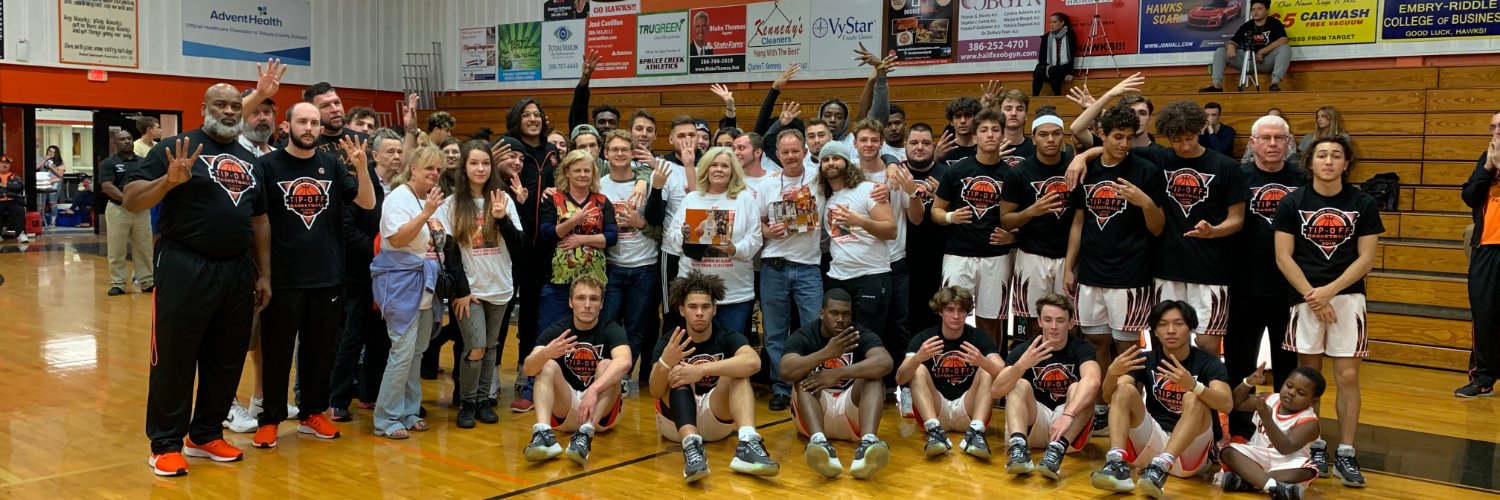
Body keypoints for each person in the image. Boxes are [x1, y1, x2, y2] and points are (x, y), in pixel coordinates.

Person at [124, 83, 270, 476]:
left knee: (226, 358)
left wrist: (265, 274)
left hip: (237, 270)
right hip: (184, 266)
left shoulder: (250, 160)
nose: (229, 111)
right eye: (220, 104)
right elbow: (132, 199)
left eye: (235, 105)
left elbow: (260, 220)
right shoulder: (175, 148)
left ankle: (204, 435)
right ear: (203, 108)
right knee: (174, 358)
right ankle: (165, 445)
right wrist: (168, 182)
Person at [250, 102, 376, 449]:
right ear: (287, 125)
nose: (309, 127)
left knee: (320, 353)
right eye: (302, 121)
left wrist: (362, 168)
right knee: (276, 353)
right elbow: (257, 221)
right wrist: (262, 274)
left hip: (327, 276)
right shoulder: (267, 166)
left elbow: (366, 203)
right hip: (283, 277)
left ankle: (312, 413)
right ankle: (270, 419)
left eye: (314, 122)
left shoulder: (331, 164)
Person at [1274, 135, 1383, 487]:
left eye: (1336, 155)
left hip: (1347, 298)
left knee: (1348, 377)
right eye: (1322, 155)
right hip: (1305, 297)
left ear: (1346, 163)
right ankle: (1314, 445)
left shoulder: (1363, 202)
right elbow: (1283, 256)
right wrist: (1313, 296)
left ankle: (1347, 452)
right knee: (1308, 375)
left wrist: (1329, 292)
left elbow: (1367, 258)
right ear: (1311, 162)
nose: (1329, 161)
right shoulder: (1292, 202)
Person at [1063, 102, 1167, 430]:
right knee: (1096, 343)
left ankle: (1130, 407)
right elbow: (1078, 221)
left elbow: (1158, 228)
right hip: (1091, 273)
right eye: (1118, 137)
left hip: (1130, 275)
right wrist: (1069, 267)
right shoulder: (1087, 170)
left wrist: (1145, 202)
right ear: (1102, 134)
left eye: (1130, 137)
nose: (1124, 144)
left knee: (1127, 348)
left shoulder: (1146, 171)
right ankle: (1101, 407)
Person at [1129, 100, 1246, 356]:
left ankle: (1205, 384)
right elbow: (1114, 149)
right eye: (1177, 140)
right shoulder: (1158, 157)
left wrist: (1213, 231)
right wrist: (1082, 157)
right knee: (1168, 343)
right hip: (1167, 266)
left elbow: (1237, 219)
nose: (1184, 146)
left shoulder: (1226, 166)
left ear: (1199, 129)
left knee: (1207, 345)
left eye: (1190, 138)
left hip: (1211, 268)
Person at [370, 145, 467, 440]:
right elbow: (398, 239)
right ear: (412, 168)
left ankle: (409, 411)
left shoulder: (432, 199)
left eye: (438, 169)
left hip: (427, 284)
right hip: (401, 283)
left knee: (416, 353)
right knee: (401, 352)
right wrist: (426, 213)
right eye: (428, 168)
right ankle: (386, 418)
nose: (435, 173)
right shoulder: (398, 198)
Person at [1090, 300, 1233, 498]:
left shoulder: (1208, 362)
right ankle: (1116, 463)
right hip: (1153, 443)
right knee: (1123, 390)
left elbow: (1227, 404)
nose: (1171, 330)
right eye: (1163, 324)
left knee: (1193, 398)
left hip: (1189, 451)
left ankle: (1162, 465)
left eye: (1178, 324)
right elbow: (1110, 397)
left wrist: (1194, 385)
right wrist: (1112, 374)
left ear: (1191, 328)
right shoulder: (1145, 359)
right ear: (1155, 332)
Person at [651, 271, 779, 482]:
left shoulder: (726, 335)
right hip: (675, 424)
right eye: (693, 307)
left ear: (715, 309)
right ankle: (691, 448)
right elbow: (655, 391)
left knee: (738, 373)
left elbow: (753, 362)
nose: (699, 313)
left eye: (705, 307)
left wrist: (701, 370)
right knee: (677, 373)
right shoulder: (671, 341)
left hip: (716, 418)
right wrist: (665, 362)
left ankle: (747, 444)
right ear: (682, 310)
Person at [1225, 114, 1302, 440]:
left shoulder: (1303, 179)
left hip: (1289, 289)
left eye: (1279, 138)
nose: (1272, 144)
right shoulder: (1236, 176)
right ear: (1252, 143)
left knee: (1289, 366)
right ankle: (1240, 430)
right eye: (1266, 138)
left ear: (1289, 142)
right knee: (1240, 363)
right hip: (1243, 286)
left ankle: (1287, 428)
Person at [439, 140, 523, 428]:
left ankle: (484, 401)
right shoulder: (451, 204)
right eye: (474, 163)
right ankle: (467, 402)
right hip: (469, 292)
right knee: (474, 347)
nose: (480, 168)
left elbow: (519, 245)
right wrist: (461, 291)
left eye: (485, 163)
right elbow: (449, 252)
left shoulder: (503, 199)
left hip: (500, 287)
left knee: (490, 347)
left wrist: (502, 219)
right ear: (464, 167)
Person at [781, 289, 894, 479]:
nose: (840, 319)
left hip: (851, 414)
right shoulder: (805, 335)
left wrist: (837, 373)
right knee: (802, 376)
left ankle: (867, 444)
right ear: (822, 313)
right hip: (814, 414)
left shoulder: (859, 333)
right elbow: (786, 370)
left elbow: (885, 362)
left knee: (874, 378)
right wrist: (826, 353)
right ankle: (819, 443)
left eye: (846, 314)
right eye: (834, 313)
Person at [522, 275, 633, 466]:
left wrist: (594, 389)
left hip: (601, 412)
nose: (587, 305)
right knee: (545, 364)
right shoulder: (558, 330)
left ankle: (585, 434)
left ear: (601, 304)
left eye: (594, 299)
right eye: (581, 298)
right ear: (570, 302)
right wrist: (546, 353)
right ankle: (543, 434)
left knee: (607, 365)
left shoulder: (611, 329)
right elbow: (528, 368)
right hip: (567, 406)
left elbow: (625, 361)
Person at [930, 108, 1018, 348]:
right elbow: (936, 212)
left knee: (991, 322)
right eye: (984, 130)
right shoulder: (956, 170)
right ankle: (953, 364)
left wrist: (1012, 238)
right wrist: (951, 217)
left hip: (996, 257)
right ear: (975, 135)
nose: (990, 135)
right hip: (958, 255)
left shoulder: (1012, 175)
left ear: (1002, 135)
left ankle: (990, 366)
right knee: (953, 317)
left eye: (995, 130)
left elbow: (1020, 219)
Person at [329, 128, 398, 422]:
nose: (397, 157)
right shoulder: (359, 183)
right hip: (359, 274)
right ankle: (338, 400)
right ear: (375, 155)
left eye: (400, 151)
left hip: (390, 277)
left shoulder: (402, 187)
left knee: (381, 339)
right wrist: (377, 252)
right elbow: (345, 229)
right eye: (390, 151)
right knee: (352, 338)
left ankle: (371, 394)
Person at [993, 294, 1099, 479]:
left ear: (1071, 323)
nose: (1054, 326)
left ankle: (1057, 450)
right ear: (1040, 322)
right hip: (1036, 423)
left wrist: (1068, 414)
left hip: (1069, 427)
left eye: (1060, 320)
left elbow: (1093, 381)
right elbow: (996, 391)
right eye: (1048, 320)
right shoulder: (1025, 350)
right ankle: (1019, 449)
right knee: (1018, 383)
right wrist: (1022, 365)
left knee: (1080, 388)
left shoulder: (1082, 348)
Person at [758, 129, 825, 411]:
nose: (790, 156)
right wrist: (767, 232)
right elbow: (758, 221)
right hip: (773, 266)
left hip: (808, 267)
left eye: (795, 150)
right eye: (785, 152)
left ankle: (812, 384)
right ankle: (782, 387)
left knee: (813, 329)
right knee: (774, 333)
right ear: (777, 155)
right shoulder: (768, 184)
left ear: (805, 151)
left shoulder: (819, 179)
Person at [897, 287, 1003, 460]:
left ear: (967, 313)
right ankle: (934, 432)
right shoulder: (925, 338)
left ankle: (976, 433)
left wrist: (982, 361)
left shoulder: (978, 337)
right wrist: (918, 358)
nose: (956, 316)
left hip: (969, 410)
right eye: (950, 310)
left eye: (961, 310)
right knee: (917, 369)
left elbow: (1006, 376)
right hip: (936, 410)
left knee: (987, 370)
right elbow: (900, 378)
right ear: (940, 311)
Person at [672, 147, 763, 342]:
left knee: (733, 349)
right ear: (706, 169)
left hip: (735, 293)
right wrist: (683, 235)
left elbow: (755, 239)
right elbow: (672, 239)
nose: (719, 169)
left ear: (733, 171)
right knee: (695, 349)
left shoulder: (745, 199)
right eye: (714, 165)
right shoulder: (692, 198)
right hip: (695, 294)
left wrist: (734, 249)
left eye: (725, 166)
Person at [509, 98, 562, 413]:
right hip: (511, 242)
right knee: (503, 312)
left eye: (537, 114)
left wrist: (554, 192)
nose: (533, 119)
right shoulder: (508, 148)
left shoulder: (552, 153)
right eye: (526, 114)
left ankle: (525, 367)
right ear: (517, 119)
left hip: (543, 247)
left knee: (532, 311)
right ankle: (484, 380)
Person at [1000, 115, 1074, 337]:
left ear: (1063, 136)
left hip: (1069, 257)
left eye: (1056, 134)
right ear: (1033, 139)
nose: (1050, 139)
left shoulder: (1074, 166)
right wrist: (1032, 211)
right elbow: (1006, 220)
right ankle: (1036, 360)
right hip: (1032, 255)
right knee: (1034, 321)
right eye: (1043, 134)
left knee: (1071, 322)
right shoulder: (1019, 173)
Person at [599, 130, 660, 389]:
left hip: (644, 267)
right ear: (606, 154)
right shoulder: (599, 185)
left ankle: (623, 377)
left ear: (632, 153)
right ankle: (606, 374)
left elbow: (660, 225)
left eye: (625, 149)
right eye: (614, 149)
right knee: (608, 323)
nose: (620, 154)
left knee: (636, 327)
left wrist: (640, 222)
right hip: (612, 267)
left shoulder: (648, 183)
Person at [1217, 365, 1325, 499]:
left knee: (1308, 471)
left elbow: (1285, 448)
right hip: (1257, 457)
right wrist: (1247, 383)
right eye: (1289, 385)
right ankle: (1274, 487)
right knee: (1228, 452)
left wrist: (1267, 419)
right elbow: (1237, 403)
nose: (1291, 392)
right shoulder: (1269, 399)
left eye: (1301, 393)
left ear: (1314, 401)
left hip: (1287, 463)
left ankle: (1251, 481)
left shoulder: (1310, 422)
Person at [538, 150, 617, 331]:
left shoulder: (602, 201)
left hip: (593, 281)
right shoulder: (553, 198)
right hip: (558, 280)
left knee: (590, 330)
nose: (583, 175)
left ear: (593, 173)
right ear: (567, 172)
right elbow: (547, 234)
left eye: (587, 171)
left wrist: (581, 239)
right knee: (551, 328)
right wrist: (574, 221)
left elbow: (612, 237)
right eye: (577, 170)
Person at [1457, 111, 1500, 398]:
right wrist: (1487, 168)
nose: (1496, 132)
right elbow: (1469, 196)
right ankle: (1482, 377)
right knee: (1484, 315)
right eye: (1493, 127)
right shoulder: (1486, 159)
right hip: (1486, 249)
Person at [98, 129, 154, 295]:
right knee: (117, 249)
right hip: (118, 209)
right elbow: (107, 186)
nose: (127, 141)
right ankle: (118, 283)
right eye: (122, 139)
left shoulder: (143, 162)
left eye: (129, 138)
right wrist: (127, 200)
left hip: (141, 209)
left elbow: (149, 183)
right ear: (115, 143)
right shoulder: (109, 163)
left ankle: (147, 281)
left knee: (144, 247)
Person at [1202, 0, 1291, 92]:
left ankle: (1274, 84)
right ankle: (1217, 86)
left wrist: (1261, 52)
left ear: (1267, 10)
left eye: (1259, 9)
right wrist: (1231, 46)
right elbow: (1232, 41)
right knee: (1221, 51)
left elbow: (1283, 40)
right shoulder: (1247, 26)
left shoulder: (1274, 23)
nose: (1255, 12)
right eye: (1253, 9)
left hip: (1266, 61)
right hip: (1247, 62)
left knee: (1285, 48)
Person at [1033, 13, 1076, 97]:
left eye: (1054, 22)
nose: (1051, 24)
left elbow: (1071, 55)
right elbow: (1042, 57)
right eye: (1050, 22)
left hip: (1063, 68)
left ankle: (1057, 97)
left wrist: (1070, 73)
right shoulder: (1046, 37)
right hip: (1048, 67)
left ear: (1062, 23)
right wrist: (1046, 66)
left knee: (1053, 70)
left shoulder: (1069, 35)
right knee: (1039, 70)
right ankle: (1034, 98)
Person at [36, 145, 65, 228]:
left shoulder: (59, 161)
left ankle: (53, 223)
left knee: (53, 203)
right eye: (49, 151)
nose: (51, 153)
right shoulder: (40, 159)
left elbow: (60, 174)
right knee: (41, 204)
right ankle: (40, 222)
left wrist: (51, 167)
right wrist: (45, 159)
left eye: (53, 152)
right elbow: (36, 167)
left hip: (54, 183)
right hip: (42, 184)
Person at [0, 155, 27, 242]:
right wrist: (10, 187)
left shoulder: (15, 177)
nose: (4, 165)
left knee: (19, 210)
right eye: (2, 163)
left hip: (13, 201)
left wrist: (4, 186)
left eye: (7, 163)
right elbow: (13, 188)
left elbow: (18, 187)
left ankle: (21, 234)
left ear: (10, 165)